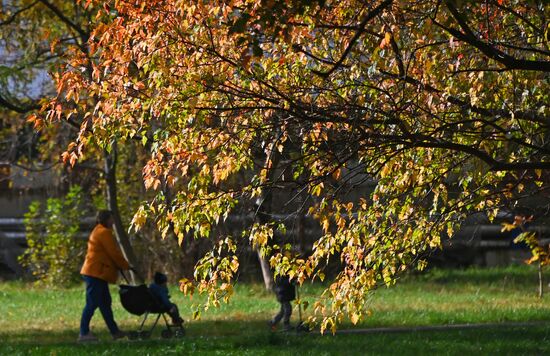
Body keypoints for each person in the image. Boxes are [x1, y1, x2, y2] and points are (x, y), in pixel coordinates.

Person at [78, 210, 130, 342]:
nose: (113, 222)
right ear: (106, 219)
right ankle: (83, 333)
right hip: (95, 273)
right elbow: (113, 252)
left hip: (98, 273)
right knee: (91, 303)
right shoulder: (104, 233)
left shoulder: (98, 231)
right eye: (111, 219)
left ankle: (115, 331)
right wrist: (125, 265)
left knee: (105, 303)